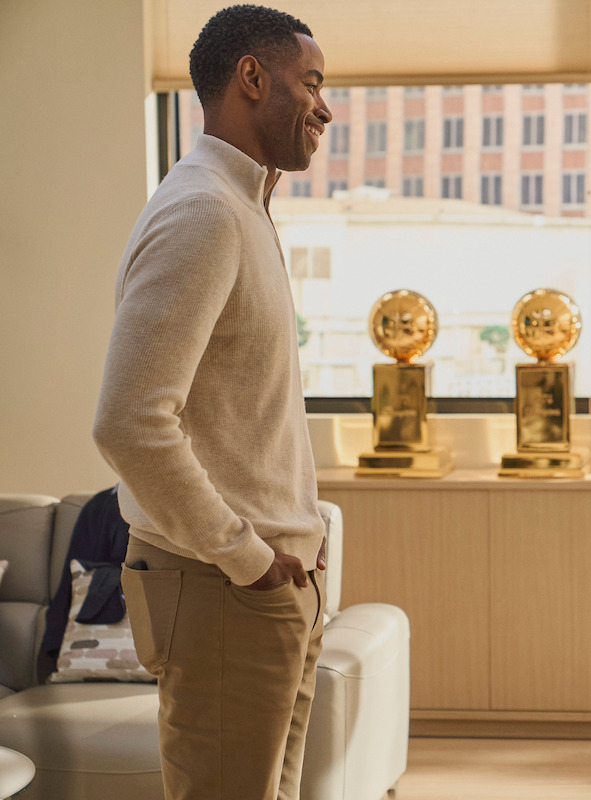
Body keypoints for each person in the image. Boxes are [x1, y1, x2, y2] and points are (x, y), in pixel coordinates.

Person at [92, 5, 333, 798]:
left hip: (267, 587)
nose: (325, 108)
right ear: (251, 78)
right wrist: (249, 559)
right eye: (311, 83)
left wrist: (303, 537)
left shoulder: (246, 209)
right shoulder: (203, 213)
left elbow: (242, 416)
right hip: (226, 589)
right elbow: (130, 422)